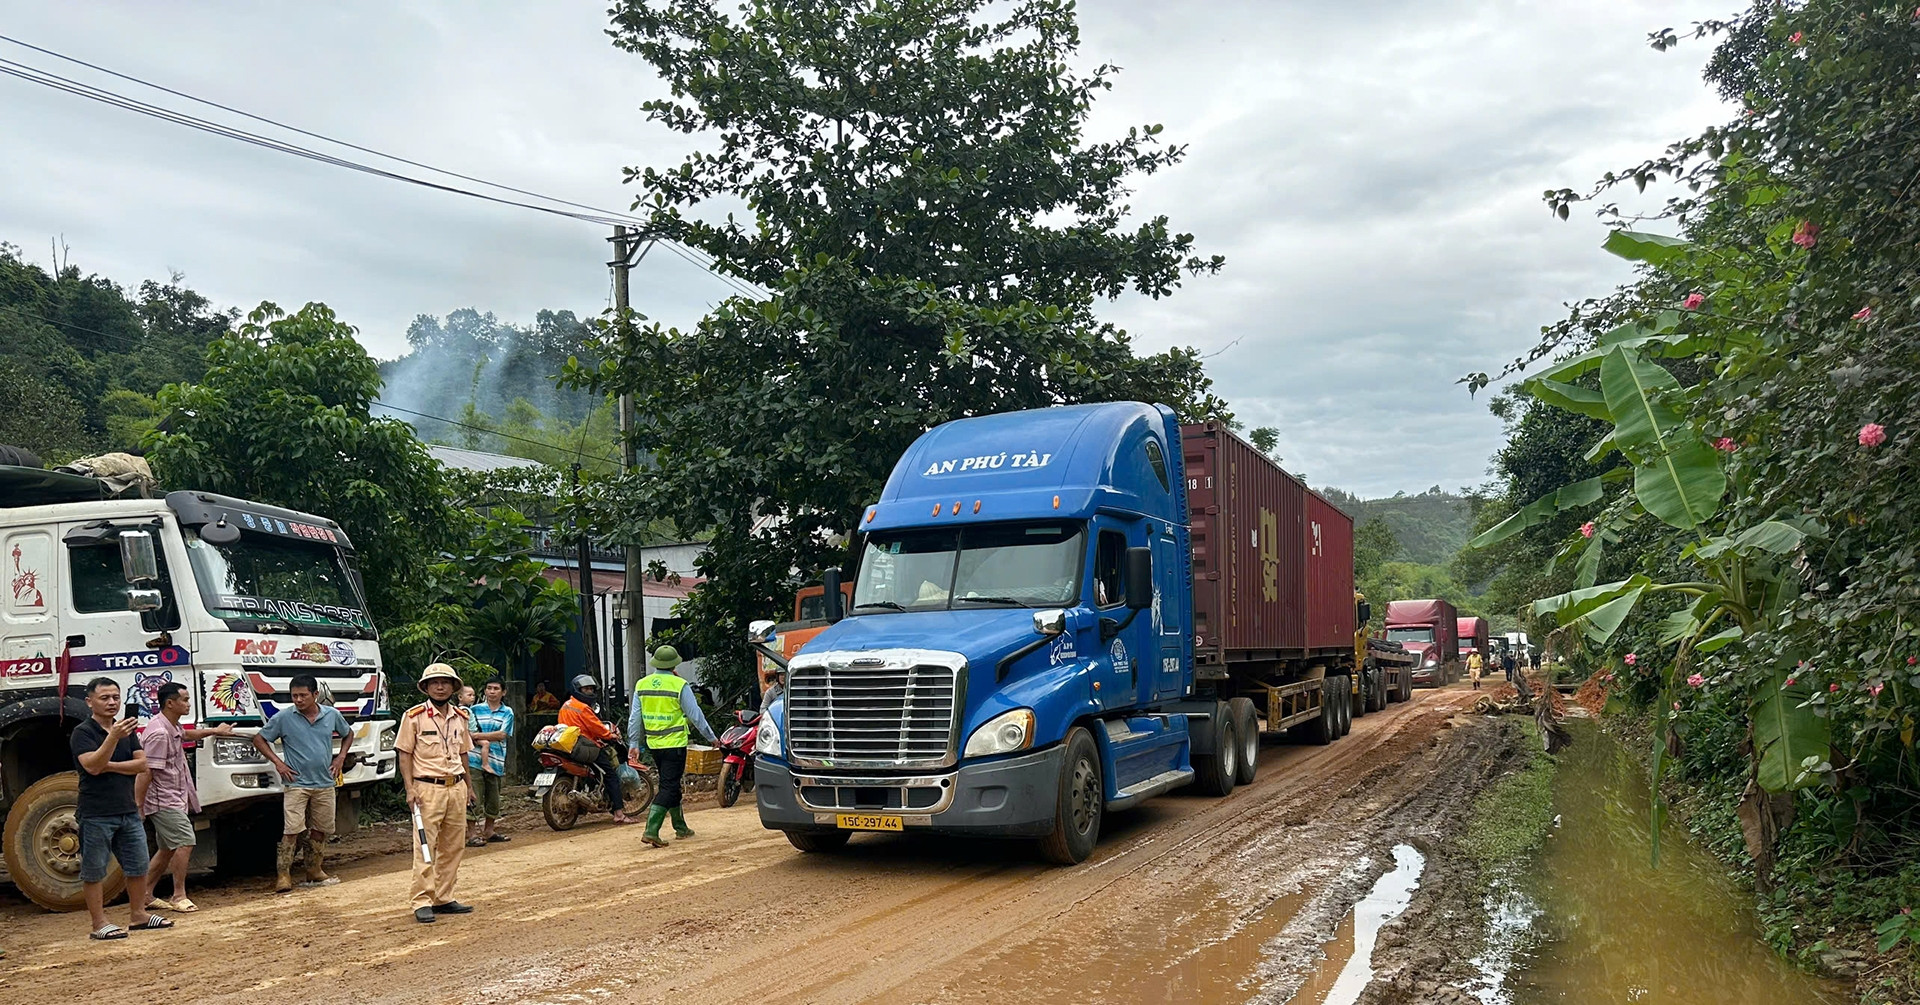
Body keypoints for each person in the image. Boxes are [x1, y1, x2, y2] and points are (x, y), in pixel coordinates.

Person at [71, 677, 169, 939]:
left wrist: (109, 766)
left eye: (116, 697)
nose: (112, 702)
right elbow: (91, 765)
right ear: (89, 702)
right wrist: (112, 740)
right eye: (105, 698)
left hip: (127, 809)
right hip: (96, 812)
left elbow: (142, 765)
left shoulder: (126, 730)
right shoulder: (83, 732)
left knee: (138, 866)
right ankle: (99, 923)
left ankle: (138, 915)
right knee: (94, 870)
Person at [136, 682, 234, 913]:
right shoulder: (159, 733)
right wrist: (138, 804)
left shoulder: (169, 725)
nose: (189, 704)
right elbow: (146, 771)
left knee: (168, 847)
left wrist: (214, 731)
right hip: (163, 799)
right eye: (185, 700)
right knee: (185, 841)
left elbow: (186, 734)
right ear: (170, 703)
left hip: (172, 796)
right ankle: (178, 895)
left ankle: (145, 894)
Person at [252, 674, 354, 893]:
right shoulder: (284, 717)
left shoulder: (331, 715)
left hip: (325, 782)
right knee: (292, 829)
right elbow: (260, 739)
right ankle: (284, 875)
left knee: (321, 829)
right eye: (294, 696)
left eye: (302, 695)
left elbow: (348, 734)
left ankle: (314, 870)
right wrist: (278, 763)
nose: (298, 700)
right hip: (296, 783)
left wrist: (341, 757)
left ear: (315, 695)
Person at [395, 663, 477, 924]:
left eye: (445, 682)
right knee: (425, 847)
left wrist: (470, 787)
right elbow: (404, 754)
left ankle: (443, 897)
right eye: (434, 683)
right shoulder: (414, 716)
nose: (440, 687)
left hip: (456, 786)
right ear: (426, 687)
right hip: (426, 788)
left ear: (454, 687)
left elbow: (464, 752)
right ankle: (421, 900)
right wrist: (409, 788)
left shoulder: (460, 717)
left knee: (454, 846)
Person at [629, 646, 718, 848]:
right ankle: (651, 830)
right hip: (674, 745)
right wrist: (712, 738)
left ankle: (680, 827)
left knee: (671, 782)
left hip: (654, 745)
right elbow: (696, 715)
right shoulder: (679, 685)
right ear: (674, 664)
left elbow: (634, 718)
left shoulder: (642, 684)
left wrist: (633, 743)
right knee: (669, 787)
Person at [559, 675, 633, 824]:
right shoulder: (583, 708)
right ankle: (619, 813)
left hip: (567, 745)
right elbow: (596, 727)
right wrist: (610, 736)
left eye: (591, 689)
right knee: (610, 775)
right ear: (578, 690)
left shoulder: (566, 705)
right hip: (585, 746)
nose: (589, 692)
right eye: (585, 689)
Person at [465, 677, 514, 847]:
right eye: (489, 688)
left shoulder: (508, 712)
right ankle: (471, 835)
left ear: (503, 692)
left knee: (493, 798)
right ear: (484, 691)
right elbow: (466, 730)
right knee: (473, 796)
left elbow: (502, 735)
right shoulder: (475, 709)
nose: (492, 692)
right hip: (473, 759)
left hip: (497, 761)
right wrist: (485, 737)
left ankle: (489, 831)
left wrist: (477, 736)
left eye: (496, 688)